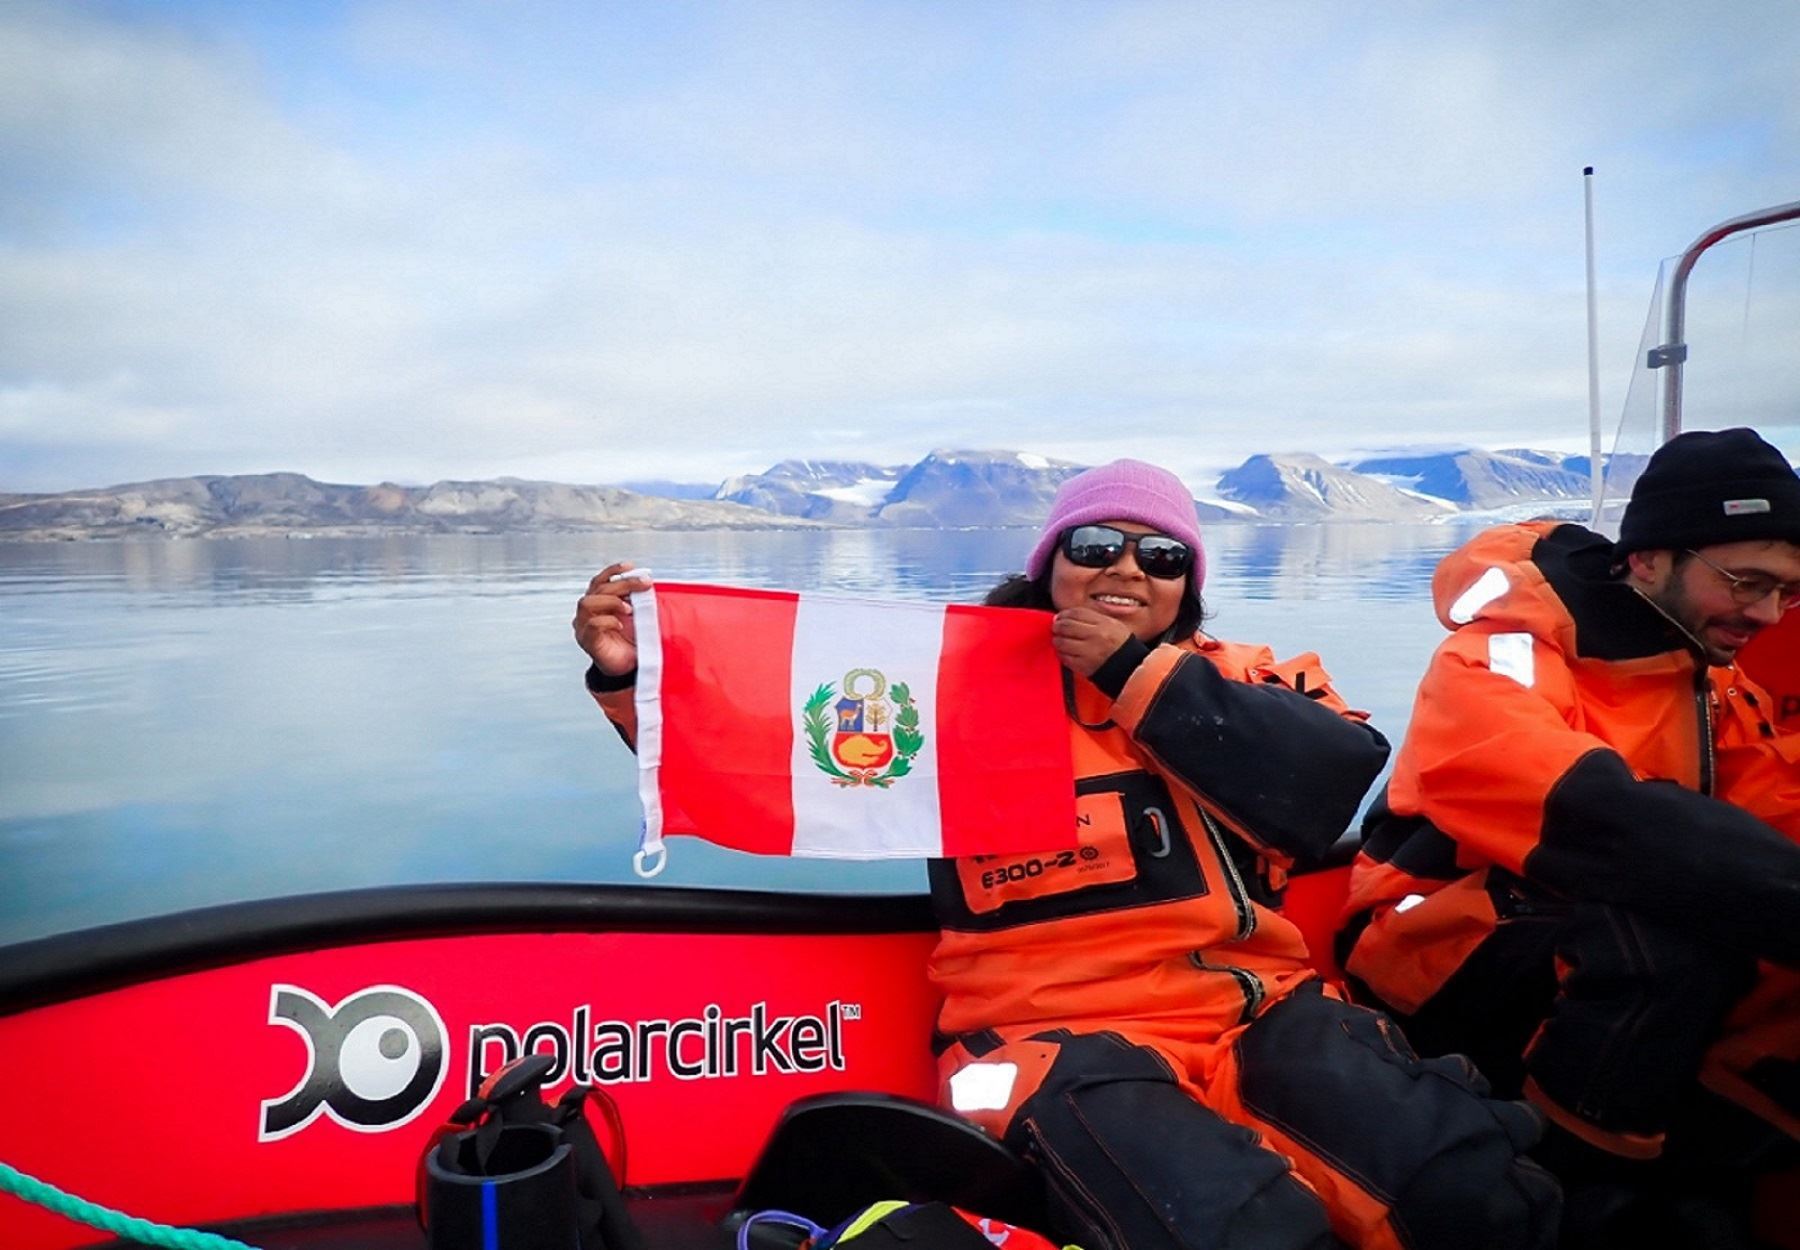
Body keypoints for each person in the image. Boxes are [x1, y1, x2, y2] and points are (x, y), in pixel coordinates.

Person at [574, 459, 1558, 1250]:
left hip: (1260, 1012)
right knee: (1245, 1229)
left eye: (1162, 556)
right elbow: (764, 750)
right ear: (1051, 561)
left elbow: (1326, 780)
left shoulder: (1258, 675)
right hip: (1050, 1044)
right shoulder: (945, 690)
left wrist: (1135, 674)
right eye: (1097, 546)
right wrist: (633, 677)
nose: (1128, 570)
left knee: (1476, 1199)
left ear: (1190, 583)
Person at [1336, 427, 1800, 1243]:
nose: (1766, 614)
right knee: (1666, 951)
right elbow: (1572, 801)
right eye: (1746, 582)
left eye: (1789, 593)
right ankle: (1577, 1197)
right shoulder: (1505, 653)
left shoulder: (1707, 676)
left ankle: (1707, 1161)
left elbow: (1770, 804)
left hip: (1582, 934)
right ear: (1652, 558)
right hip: (1429, 937)